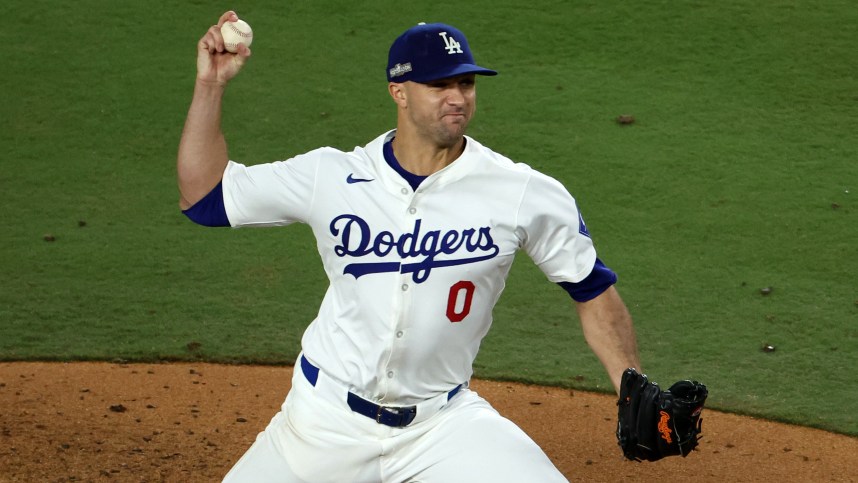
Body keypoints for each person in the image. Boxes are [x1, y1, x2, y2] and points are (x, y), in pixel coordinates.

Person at [178, 11, 641, 482]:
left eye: (466, 84)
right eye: (439, 85)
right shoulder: (331, 176)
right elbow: (205, 197)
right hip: (321, 426)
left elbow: (592, 288)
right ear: (398, 92)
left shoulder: (521, 191)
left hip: (442, 427)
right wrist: (211, 86)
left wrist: (632, 385)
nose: (457, 97)